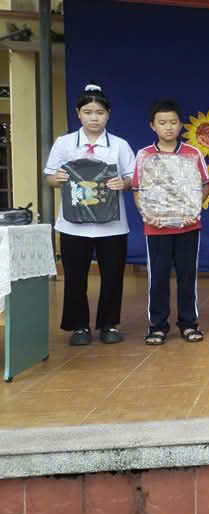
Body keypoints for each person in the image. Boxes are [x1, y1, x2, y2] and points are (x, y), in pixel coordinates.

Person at [44, 83, 135, 346]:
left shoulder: (119, 145)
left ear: (108, 114)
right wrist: (58, 178)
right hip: (73, 224)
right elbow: (50, 177)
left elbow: (132, 178)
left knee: (112, 276)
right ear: (78, 113)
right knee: (75, 277)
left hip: (113, 225)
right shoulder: (64, 143)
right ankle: (79, 326)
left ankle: (109, 324)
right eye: (88, 112)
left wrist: (123, 183)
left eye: (99, 112)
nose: (94, 118)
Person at [132, 99, 209, 345]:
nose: (168, 127)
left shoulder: (192, 153)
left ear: (180, 125)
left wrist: (193, 209)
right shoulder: (144, 155)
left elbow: (206, 185)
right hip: (156, 227)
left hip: (188, 226)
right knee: (158, 276)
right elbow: (137, 189)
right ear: (152, 126)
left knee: (187, 275)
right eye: (163, 122)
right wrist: (147, 214)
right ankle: (157, 326)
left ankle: (189, 324)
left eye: (173, 122)